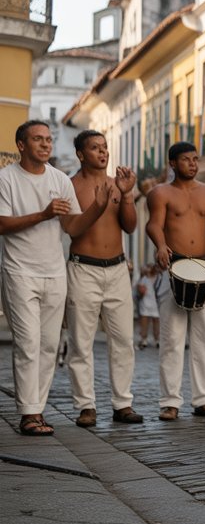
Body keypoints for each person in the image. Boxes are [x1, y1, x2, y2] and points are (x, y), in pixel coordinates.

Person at [0, 121, 108, 435]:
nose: (46, 144)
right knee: (28, 344)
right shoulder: (6, 178)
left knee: (49, 345)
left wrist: (98, 208)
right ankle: (28, 414)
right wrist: (43, 214)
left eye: (48, 139)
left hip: (54, 271)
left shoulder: (60, 179)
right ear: (22, 145)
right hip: (20, 271)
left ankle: (37, 410)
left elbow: (72, 227)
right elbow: (2, 225)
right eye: (38, 139)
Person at [145, 142, 205, 421]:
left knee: (204, 337)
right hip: (174, 268)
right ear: (172, 163)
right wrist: (160, 245)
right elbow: (154, 224)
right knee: (172, 339)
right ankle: (169, 402)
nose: (193, 164)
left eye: (195, 159)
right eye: (186, 160)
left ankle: (204, 399)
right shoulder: (160, 193)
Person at [66, 130, 144, 427]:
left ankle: (122, 403)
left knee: (124, 339)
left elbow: (131, 226)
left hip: (117, 269)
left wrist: (126, 195)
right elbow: (73, 228)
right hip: (83, 268)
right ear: (81, 154)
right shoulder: (70, 185)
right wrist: (98, 205)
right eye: (95, 148)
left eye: (105, 147)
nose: (103, 152)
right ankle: (86, 406)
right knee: (81, 342)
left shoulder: (117, 185)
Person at [136, 263, 160, 347]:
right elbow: (139, 289)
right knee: (144, 323)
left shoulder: (158, 278)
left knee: (156, 323)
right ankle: (144, 339)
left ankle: (157, 340)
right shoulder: (144, 279)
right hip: (145, 303)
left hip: (156, 304)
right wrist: (141, 290)